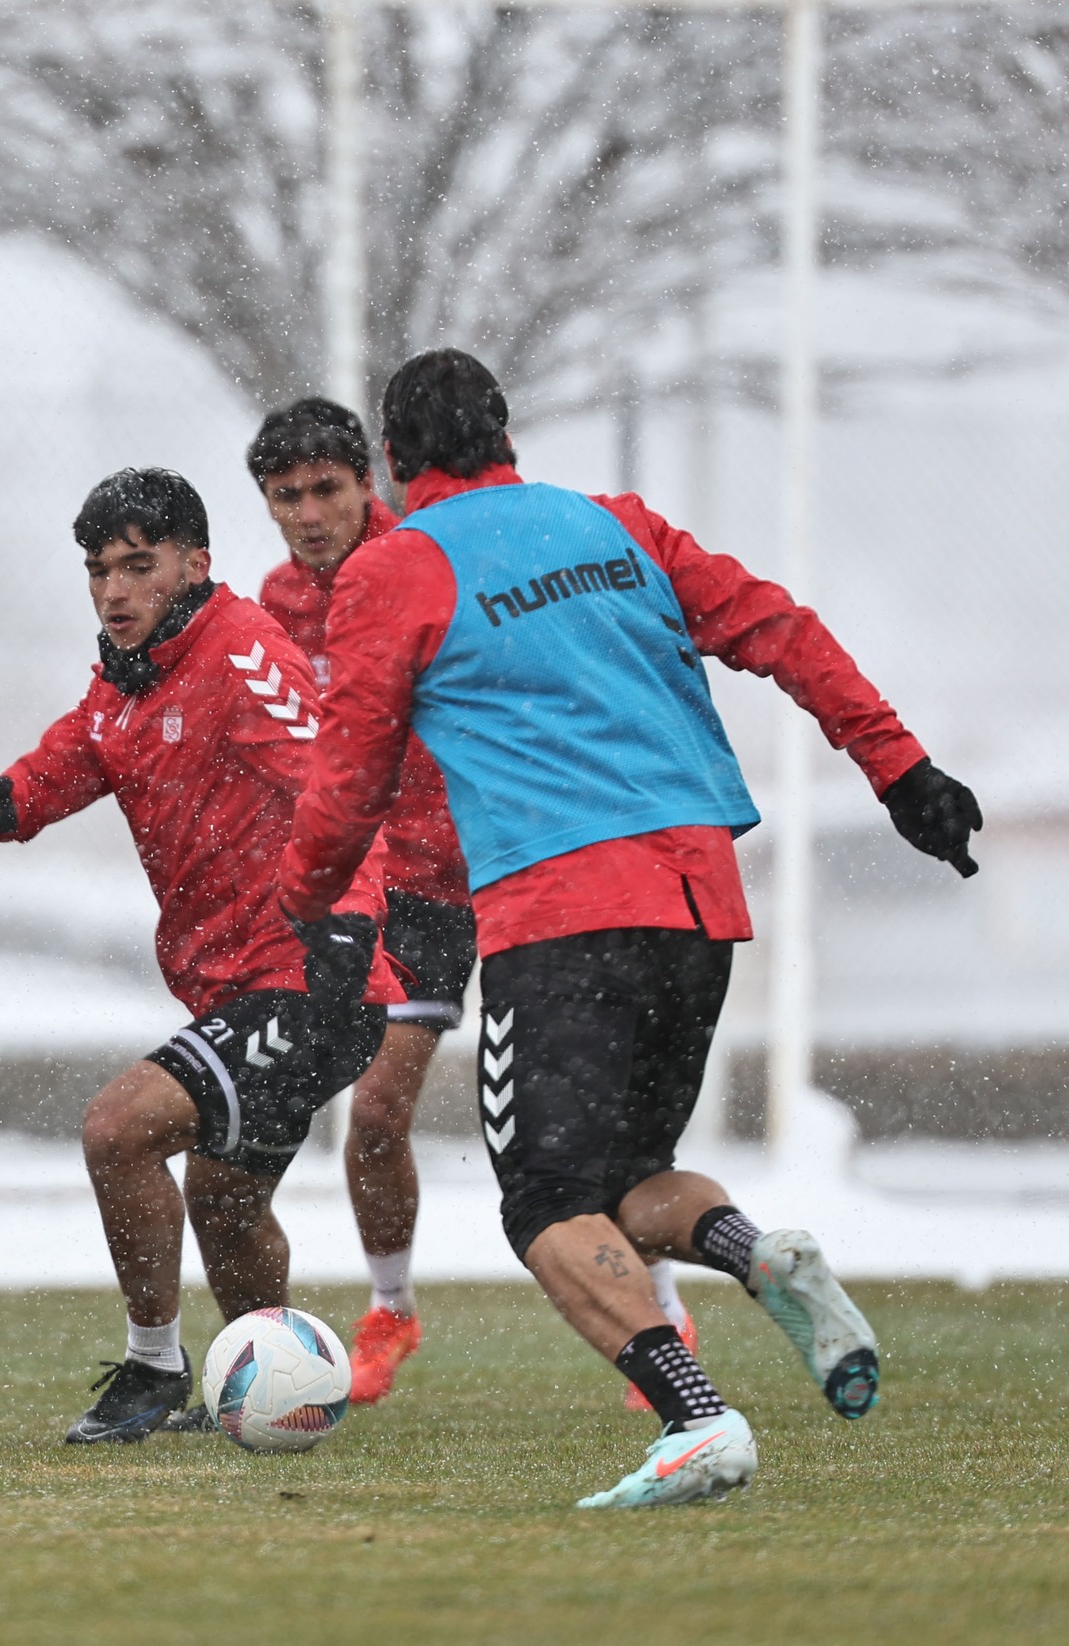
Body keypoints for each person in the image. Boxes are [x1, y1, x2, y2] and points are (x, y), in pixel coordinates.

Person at [279, 351, 981, 1508]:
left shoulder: (399, 565)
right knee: (625, 1176)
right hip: (696, 896)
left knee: (542, 1200)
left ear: (394, 464)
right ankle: (763, 1254)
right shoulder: (618, 526)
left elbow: (347, 779)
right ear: (504, 433)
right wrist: (898, 768)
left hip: (559, 912)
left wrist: (312, 909)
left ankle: (693, 1418)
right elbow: (780, 630)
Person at [0, 467, 403, 1444]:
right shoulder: (123, 681)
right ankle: (275, 1388)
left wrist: (350, 922)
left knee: (118, 1128)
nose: (113, 590)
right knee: (223, 1201)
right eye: (99, 570)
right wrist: (4, 801)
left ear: (193, 565)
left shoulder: (238, 648)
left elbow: (333, 785)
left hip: (312, 981)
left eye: (136, 566)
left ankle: (150, 1368)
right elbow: (71, 756)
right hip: (235, 991)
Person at [249, 397, 698, 1412]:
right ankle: (389, 1308)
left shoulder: (428, 555)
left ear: (372, 480)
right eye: (289, 495)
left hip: (520, 865)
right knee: (374, 1112)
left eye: (329, 487)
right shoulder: (276, 603)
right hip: (409, 891)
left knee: (597, 1121)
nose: (311, 511)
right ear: (268, 504)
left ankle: (661, 1311)